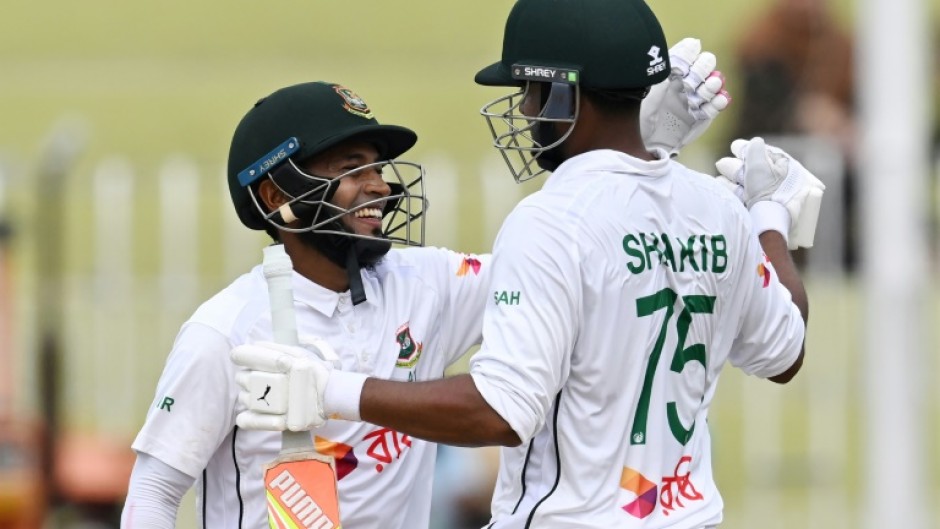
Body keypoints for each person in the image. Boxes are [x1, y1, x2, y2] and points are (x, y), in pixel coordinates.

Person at [231, 0, 819, 527]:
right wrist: (768, 217)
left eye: (530, 92)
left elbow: (502, 410)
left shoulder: (552, 219)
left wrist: (332, 388)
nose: (522, 108)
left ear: (566, 95)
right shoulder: (717, 207)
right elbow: (785, 350)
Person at [121, 45, 731, 529]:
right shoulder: (223, 332)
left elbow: (579, 272)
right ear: (276, 196)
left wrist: (644, 151)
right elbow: (155, 488)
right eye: (350, 170)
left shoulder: (427, 285)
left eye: (378, 168)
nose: (380, 187)